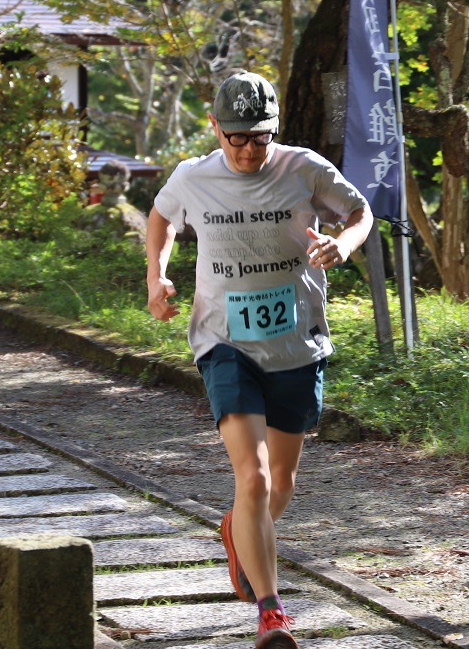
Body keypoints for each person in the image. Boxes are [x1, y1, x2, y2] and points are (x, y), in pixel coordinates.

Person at [146, 71, 373, 649]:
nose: (249, 150)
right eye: (237, 138)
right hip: (225, 342)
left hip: (296, 341)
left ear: (276, 130)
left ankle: (237, 530)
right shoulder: (193, 177)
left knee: (282, 486)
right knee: (254, 476)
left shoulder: (303, 168)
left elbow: (359, 212)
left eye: (260, 138)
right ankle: (271, 613)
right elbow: (162, 218)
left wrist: (342, 244)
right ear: (215, 127)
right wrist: (157, 276)